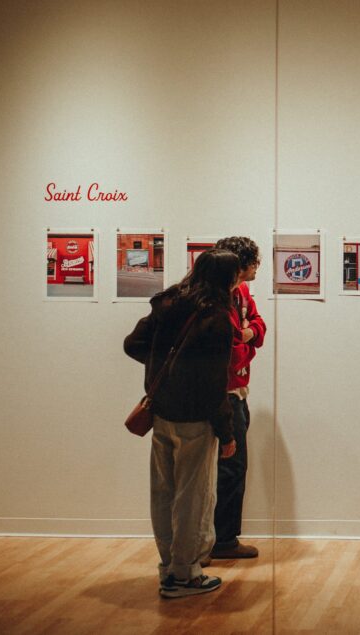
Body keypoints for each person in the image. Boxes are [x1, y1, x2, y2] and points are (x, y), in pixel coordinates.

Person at [123, 249, 240, 598]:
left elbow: (133, 344)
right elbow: (216, 383)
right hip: (196, 418)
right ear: (227, 278)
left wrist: (166, 369)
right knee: (193, 497)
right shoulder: (218, 315)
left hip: (162, 412)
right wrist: (227, 431)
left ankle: (167, 570)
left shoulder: (169, 301)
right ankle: (185, 575)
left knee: (163, 493)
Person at [209, 236, 267, 561]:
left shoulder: (242, 293)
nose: (258, 267)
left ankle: (223, 538)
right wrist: (246, 343)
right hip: (224, 394)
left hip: (237, 392)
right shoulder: (218, 300)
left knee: (233, 466)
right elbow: (232, 356)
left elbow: (259, 325)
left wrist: (249, 333)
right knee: (230, 466)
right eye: (254, 261)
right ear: (241, 265)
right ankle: (221, 540)